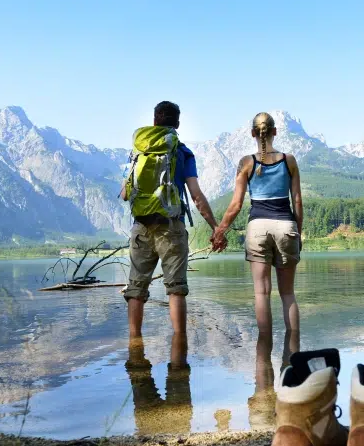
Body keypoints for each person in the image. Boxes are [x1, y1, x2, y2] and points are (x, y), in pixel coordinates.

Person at [121, 101, 225, 338]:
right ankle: (179, 350)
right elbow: (196, 195)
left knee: (136, 289)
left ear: (155, 121)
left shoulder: (138, 151)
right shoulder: (182, 152)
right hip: (171, 227)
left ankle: (134, 346)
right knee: (176, 289)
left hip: (141, 226)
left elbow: (126, 193)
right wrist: (215, 228)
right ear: (177, 123)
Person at [212, 112, 304, 339]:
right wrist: (298, 234)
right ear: (275, 131)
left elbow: (235, 205)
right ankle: (293, 352)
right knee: (288, 294)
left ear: (253, 133)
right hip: (285, 225)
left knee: (261, 294)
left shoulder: (246, 163)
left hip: (257, 228)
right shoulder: (289, 160)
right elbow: (298, 201)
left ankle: (263, 356)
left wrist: (219, 232)